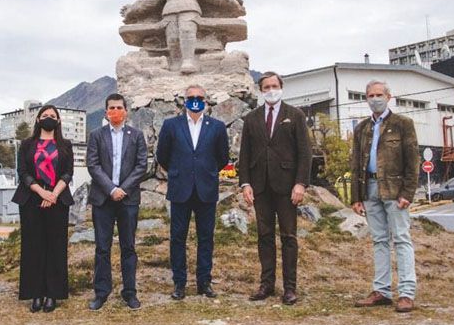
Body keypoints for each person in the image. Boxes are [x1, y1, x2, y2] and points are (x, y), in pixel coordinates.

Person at [238, 71, 312, 305]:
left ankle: (290, 288)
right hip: (260, 186)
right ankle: (266, 284)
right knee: (264, 236)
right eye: (266, 87)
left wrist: (300, 182)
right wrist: (245, 183)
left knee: (289, 236)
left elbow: (305, 153)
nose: (270, 90)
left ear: (281, 87)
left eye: (274, 86)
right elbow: (245, 154)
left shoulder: (295, 115)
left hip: (287, 186)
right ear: (261, 91)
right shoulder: (252, 118)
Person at [350, 80, 419, 313]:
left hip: (394, 189)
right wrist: (355, 197)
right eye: (370, 95)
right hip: (369, 188)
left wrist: (408, 192)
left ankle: (407, 293)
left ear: (389, 97)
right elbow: (355, 163)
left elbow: (412, 161)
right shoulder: (361, 128)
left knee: (401, 238)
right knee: (379, 240)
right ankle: (382, 291)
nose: (375, 98)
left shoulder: (403, 124)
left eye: (379, 94)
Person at [155, 84, 229, 300]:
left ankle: (204, 282)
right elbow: (162, 155)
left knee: (206, 238)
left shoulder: (216, 126)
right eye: (191, 97)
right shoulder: (171, 125)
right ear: (184, 100)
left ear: (205, 100)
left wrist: (205, 171)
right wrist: (179, 171)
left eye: (199, 97)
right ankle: (179, 283)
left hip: (206, 189)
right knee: (178, 238)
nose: (195, 100)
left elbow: (222, 157)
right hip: (180, 189)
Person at [86, 93, 149, 311]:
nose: (115, 111)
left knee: (128, 247)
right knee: (102, 248)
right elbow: (92, 165)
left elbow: (142, 165)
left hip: (128, 199)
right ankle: (101, 292)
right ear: (106, 112)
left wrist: (123, 189)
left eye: (119, 107)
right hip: (103, 199)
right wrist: (111, 188)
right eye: (111, 108)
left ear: (126, 111)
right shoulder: (96, 135)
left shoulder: (137, 135)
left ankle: (129, 293)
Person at [11, 105, 75, 313]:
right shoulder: (27, 144)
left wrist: (53, 194)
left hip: (58, 200)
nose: (49, 118)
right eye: (45, 115)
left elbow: (67, 172)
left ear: (58, 121)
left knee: (55, 247)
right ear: (38, 119)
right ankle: (35, 293)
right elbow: (22, 171)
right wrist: (41, 192)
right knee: (33, 247)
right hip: (31, 199)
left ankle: (52, 294)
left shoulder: (65, 145)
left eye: (52, 116)